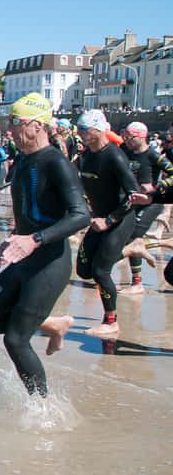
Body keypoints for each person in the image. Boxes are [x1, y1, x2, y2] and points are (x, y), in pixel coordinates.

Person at [0, 93, 90, 397]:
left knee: (16, 339)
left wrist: (33, 240)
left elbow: (81, 216)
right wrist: (14, 236)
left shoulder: (56, 162)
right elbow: (28, 211)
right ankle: (52, 325)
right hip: (25, 257)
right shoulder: (23, 161)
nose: (9, 129)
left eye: (15, 123)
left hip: (50, 262)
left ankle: (42, 408)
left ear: (37, 125)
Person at [74, 109, 140, 337]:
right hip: (99, 219)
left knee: (101, 271)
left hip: (120, 219)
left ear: (98, 129)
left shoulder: (114, 156)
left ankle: (111, 322)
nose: (80, 133)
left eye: (84, 129)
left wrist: (109, 220)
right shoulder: (85, 156)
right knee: (83, 270)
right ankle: (131, 249)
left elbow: (135, 195)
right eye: (79, 129)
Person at [119, 121, 173, 295]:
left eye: (130, 137)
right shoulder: (123, 151)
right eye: (125, 136)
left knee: (134, 236)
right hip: (132, 201)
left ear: (141, 136)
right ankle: (135, 280)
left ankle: (137, 283)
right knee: (127, 236)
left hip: (151, 202)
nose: (126, 140)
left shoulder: (153, 155)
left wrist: (157, 187)